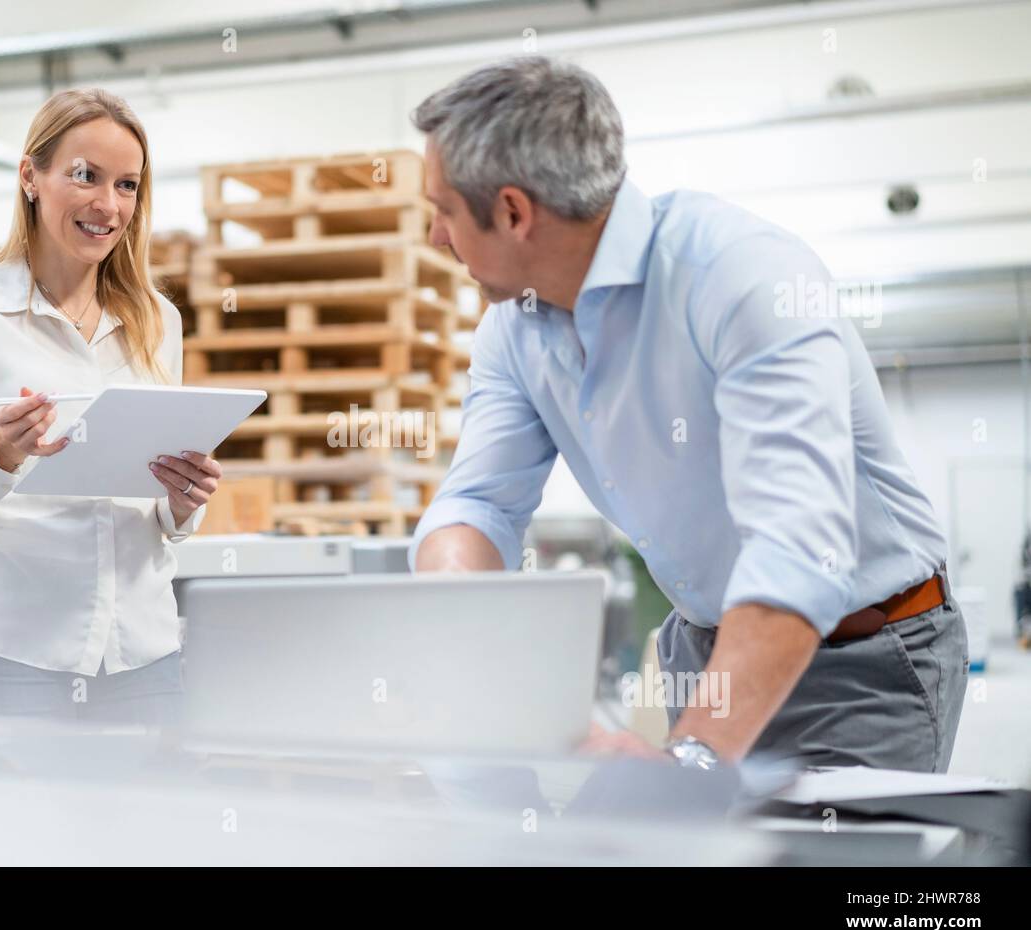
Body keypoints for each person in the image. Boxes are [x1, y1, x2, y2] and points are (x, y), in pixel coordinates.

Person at [409, 57, 968, 772]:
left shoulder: (743, 276)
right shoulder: (513, 331)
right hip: (704, 650)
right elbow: (478, 504)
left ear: (514, 211)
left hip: (861, 660)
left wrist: (694, 757)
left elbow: (798, 550)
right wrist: (459, 622)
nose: (435, 238)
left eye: (444, 211)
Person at [0, 88, 223, 723]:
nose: (108, 204)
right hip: (11, 658)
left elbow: (155, 510)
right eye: (84, 176)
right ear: (30, 178)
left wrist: (182, 501)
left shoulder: (159, 321)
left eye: (127, 185)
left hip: (143, 660)